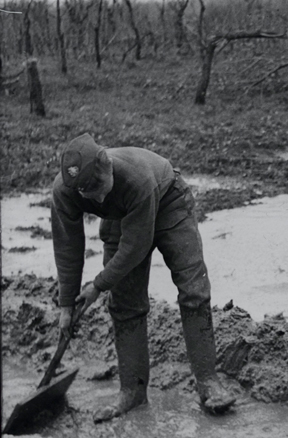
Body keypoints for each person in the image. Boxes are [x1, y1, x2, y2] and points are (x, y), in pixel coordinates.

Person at [51, 133, 235, 422]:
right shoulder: (65, 190)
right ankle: (133, 392)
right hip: (120, 214)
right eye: (87, 192)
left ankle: (208, 381)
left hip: (168, 201)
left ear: (108, 166)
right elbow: (67, 245)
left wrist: (97, 285)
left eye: (99, 186)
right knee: (124, 303)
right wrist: (66, 305)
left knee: (193, 288)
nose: (97, 197)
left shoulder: (137, 178)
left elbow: (135, 245)